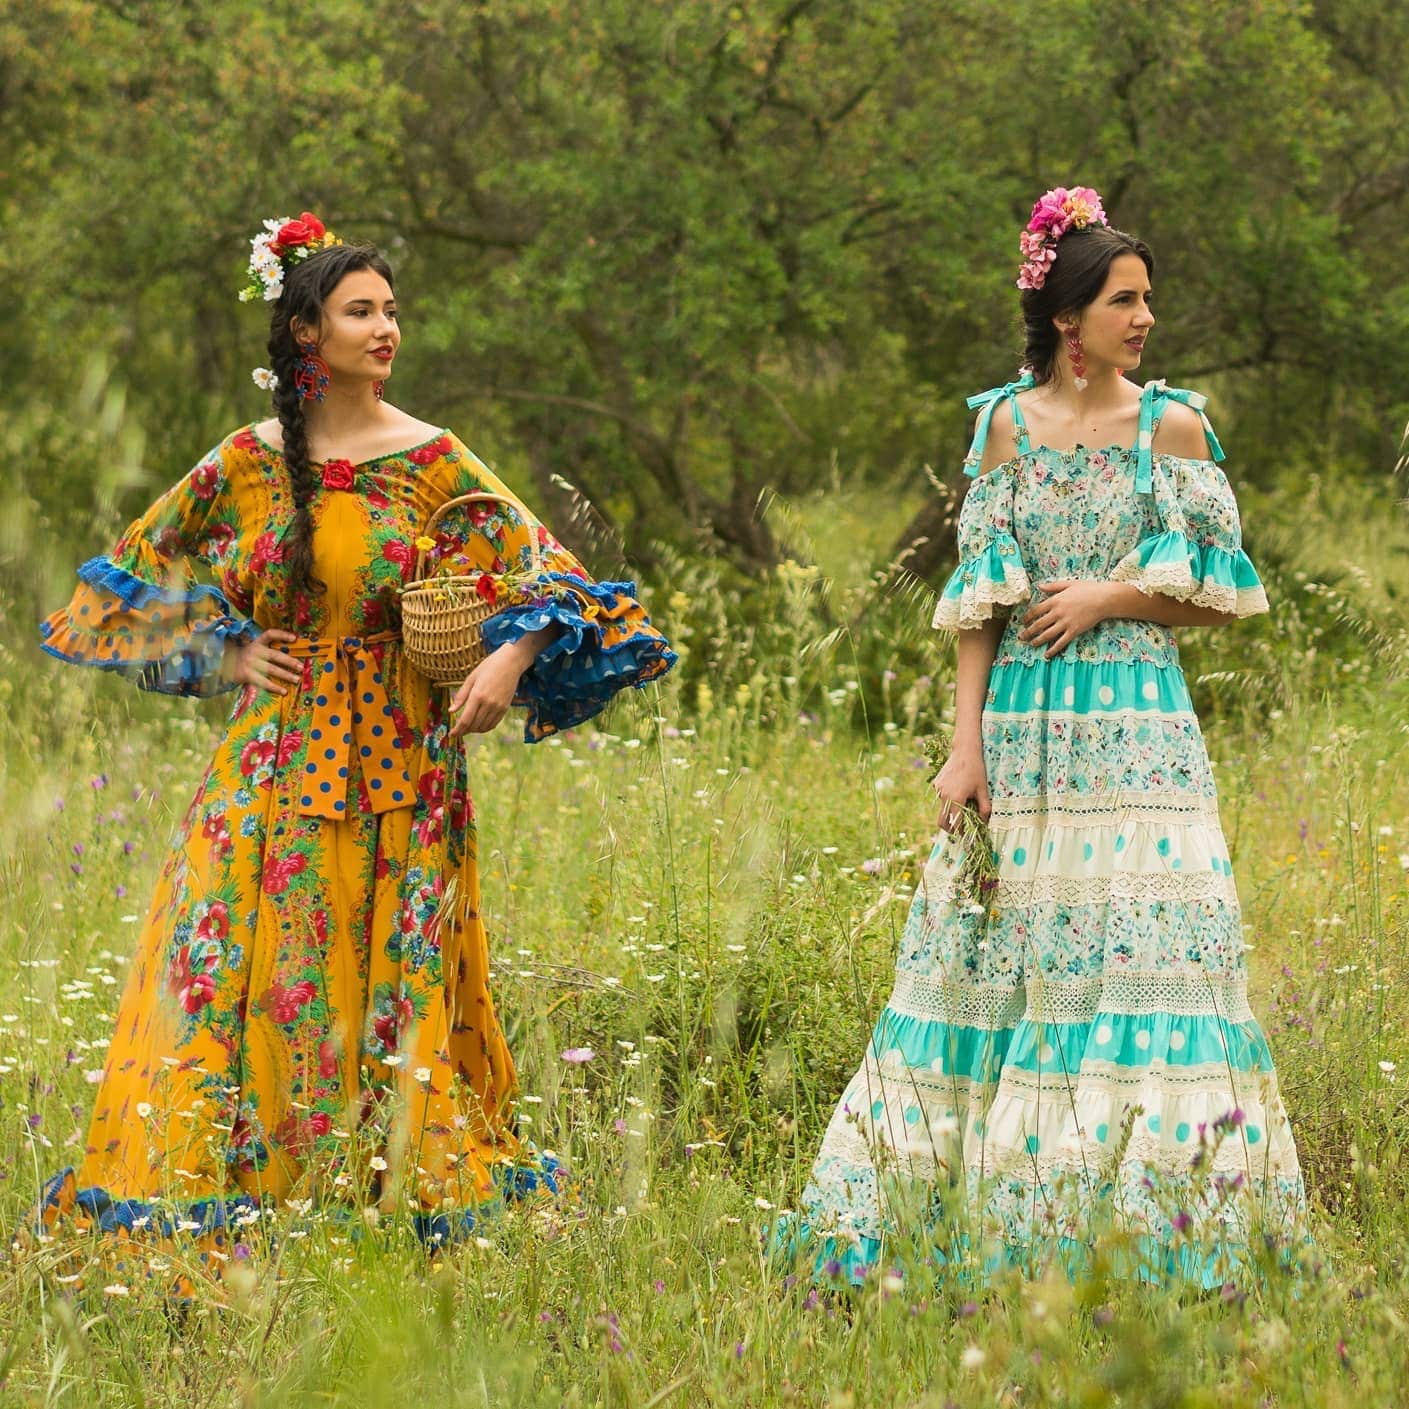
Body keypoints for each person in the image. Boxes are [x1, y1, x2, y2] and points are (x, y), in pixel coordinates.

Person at [35, 212, 675, 1284]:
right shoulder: (242, 463)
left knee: (387, 972)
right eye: (360, 310)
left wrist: (506, 661)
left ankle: (374, 1183)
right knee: (234, 971)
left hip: (401, 763)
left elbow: (558, 579)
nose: (386, 328)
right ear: (304, 332)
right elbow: (112, 584)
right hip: (268, 764)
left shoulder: (431, 459)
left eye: (391, 311)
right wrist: (222, 649)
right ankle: (235, 1189)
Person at [775, 187, 1305, 1288]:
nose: (1144, 317)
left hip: (1137, 734)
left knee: (1148, 956)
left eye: (1147, 298)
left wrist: (1110, 596)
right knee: (993, 958)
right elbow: (977, 605)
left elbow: (1217, 597)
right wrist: (960, 746)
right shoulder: (1001, 425)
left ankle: (1164, 1241)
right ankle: (977, 1231)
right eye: (1124, 299)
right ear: (1067, 316)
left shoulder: (1173, 425)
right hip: (1018, 724)